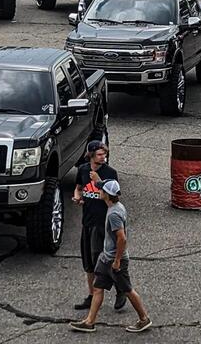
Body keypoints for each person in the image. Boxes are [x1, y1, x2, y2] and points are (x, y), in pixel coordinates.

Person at [70, 180, 152, 334]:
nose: (98, 191)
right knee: (97, 288)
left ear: (107, 194)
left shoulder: (114, 214)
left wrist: (117, 261)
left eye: (101, 190)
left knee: (128, 290)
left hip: (114, 260)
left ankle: (144, 319)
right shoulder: (115, 207)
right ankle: (89, 322)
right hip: (106, 258)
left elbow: (122, 238)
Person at [72, 142, 123, 312]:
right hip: (87, 222)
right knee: (88, 262)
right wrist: (77, 197)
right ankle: (91, 295)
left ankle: (120, 289)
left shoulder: (110, 173)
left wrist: (99, 181)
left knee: (104, 262)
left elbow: (114, 196)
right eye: (100, 154)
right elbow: (79, 188)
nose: (103, 157)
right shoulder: (83, 170)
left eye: (104, 154)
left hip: (103, 224)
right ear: (91, 155)